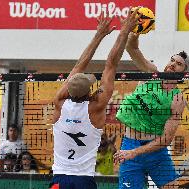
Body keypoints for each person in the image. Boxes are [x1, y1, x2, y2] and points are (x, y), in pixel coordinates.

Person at [49, 9, 141, 189]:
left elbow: (78, 65)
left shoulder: (59, 102)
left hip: (59, 179)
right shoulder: (96, 107)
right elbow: (111, 64)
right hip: (83, 180)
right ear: (90, 93)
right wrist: (125, 31)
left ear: (68, 90)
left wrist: (98, 35)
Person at [113, 32, 189, 189]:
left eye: (178, 64)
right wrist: (135, 33)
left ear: (184, 73)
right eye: (172, 60)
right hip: (130, 144)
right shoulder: (151, 73)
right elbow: (132, 49)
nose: (172, 64)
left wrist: (135, 152)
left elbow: (166, 140)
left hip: (156, 153)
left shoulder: (178, 99)